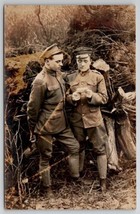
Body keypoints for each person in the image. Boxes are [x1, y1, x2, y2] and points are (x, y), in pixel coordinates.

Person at [27, 44, 80, 197]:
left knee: (74, 147)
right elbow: (32, 109)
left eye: (61, 61)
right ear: (47, 61)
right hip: (45, 127)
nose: (60, 64)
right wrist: (34, 129)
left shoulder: (58, 74)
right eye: (57, 61)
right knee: (45, 157)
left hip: (62, 124)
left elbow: (61, 98)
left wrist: (71, 99)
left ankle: (75, 179)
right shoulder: (40, 81)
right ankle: (47, 189)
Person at [66, 47, 108, 192]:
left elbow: (104, 98)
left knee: (100, 149)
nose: (82, 63)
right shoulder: (70, 78)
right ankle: (78, 178)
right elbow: (65, 98)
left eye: (85, 60)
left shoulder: (97, 77)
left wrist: (91, 96)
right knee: (78, 147)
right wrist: (72, 98)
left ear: (90, 61)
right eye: (79, 61)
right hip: (77, 119)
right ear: (76, 62)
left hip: (94, 119)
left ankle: (103, 181)